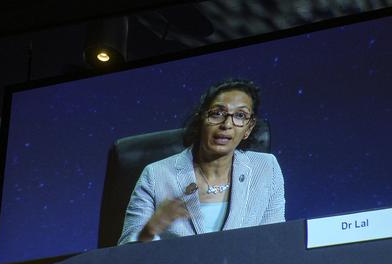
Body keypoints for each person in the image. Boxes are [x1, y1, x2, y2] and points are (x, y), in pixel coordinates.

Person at [119, 78, 285, 244]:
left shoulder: (266, 168)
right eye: (217, 113)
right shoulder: (156, 175)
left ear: (248, 128)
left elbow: (274, 242)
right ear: (201, 119)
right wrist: (151, 228)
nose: (227, 124)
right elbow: (127, 254)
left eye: (240, 116)